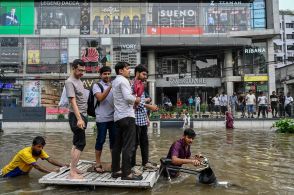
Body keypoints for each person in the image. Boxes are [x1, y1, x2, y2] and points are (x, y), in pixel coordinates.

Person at [111, 62, 142, 180]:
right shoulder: (123, 81)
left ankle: (116, 171)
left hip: (118, 117)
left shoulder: (115, 82)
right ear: (120, 71)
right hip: (127, 116)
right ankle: (127, 173)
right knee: (128, 146)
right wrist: (137, 99)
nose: (129, 71)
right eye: (127, 69)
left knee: (117, 145)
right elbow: (128, 98)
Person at [131, 65, 158, 172]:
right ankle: (132, 165)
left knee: (144, 142)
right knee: (134, 143)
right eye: (144, 74)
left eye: (146, 74)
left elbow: (140, 101)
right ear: (137, 73)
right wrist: (149, 106)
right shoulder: (132, 84)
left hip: (142, 119)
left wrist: (147, 117)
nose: (145, 76)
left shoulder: (141, 84)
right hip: (134, 120)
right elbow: (134, 102)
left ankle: (145, 162)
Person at [65, 59, 88, 179]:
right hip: (76, 116)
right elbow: (72, 101)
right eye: (80, 70)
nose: (82, 73)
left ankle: (73, 168)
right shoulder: (70, 82)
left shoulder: (79, 80)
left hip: (81, 115)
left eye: (83, 71)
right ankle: (72, 173)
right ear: (73, 68)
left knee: (75, 142)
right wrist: (79, 119)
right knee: (81, 143)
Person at [0, 136, 67, 178]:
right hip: (8, 173)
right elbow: (37, 166)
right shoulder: (25, 153)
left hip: (22, 173)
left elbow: (50, 159)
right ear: (33, 145)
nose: (40, 149)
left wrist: (63, 165)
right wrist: (51, 171)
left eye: (42, 147)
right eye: (38, 146)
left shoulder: (39, 151)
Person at [92, 66, 115, 173]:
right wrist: (110, 87)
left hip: (113, 118)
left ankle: (114, 163)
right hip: (101, 118)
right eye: (105, 74)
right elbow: (100, 98)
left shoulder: (114, 85)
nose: (107, 76)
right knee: (100, 140)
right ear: (100, 75)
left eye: (109, 73)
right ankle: (97, 163)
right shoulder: (97, 85)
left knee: (113, 142)